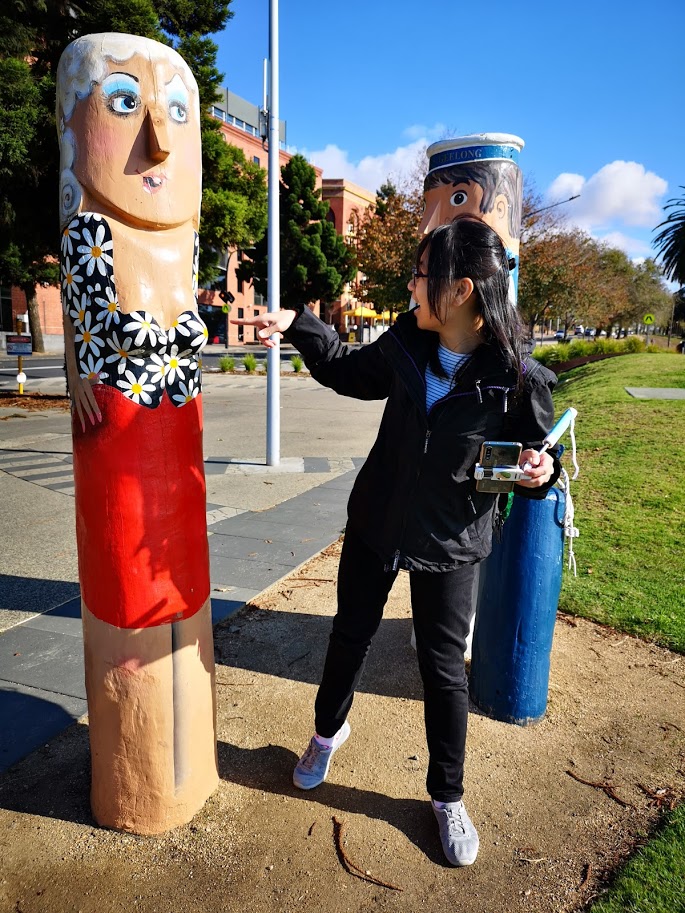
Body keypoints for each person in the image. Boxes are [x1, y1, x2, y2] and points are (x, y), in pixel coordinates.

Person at [233, 216, 559, 867]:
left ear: (461, 288)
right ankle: (326, 732)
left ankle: (446, 796)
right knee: (348, 633)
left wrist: (534, 473)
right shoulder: (407, 341)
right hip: (377, 521)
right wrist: (299, 322)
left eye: (419, 274)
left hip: (453, 538)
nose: (410, 285)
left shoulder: (515, 377)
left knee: (441, 670)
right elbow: (344, 371)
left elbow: (520, 466)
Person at [56, 33, 217, 834]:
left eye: (175, 113)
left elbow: (182, 327)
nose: (158, 138)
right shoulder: (90, 231)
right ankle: (145, 781)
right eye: (125, 103)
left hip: (173, 429)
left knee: (188, 597)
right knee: (132, 603)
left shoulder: (180, 239)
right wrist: (82, 370)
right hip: (123, 439)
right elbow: (103, 338)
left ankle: (193, 766)